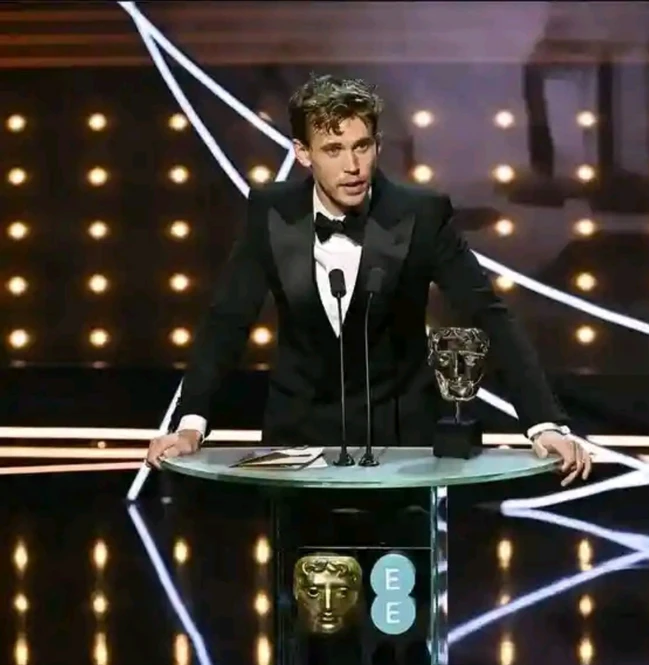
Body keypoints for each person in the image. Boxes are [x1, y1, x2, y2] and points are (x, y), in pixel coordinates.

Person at [146, 73, 591, 484]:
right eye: (334, 150)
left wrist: (544, 424)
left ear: (377, 145)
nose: (353, 165)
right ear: (303, 153)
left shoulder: (421, 215)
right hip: (297, 443)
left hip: (403, 445)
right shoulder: (271, 212)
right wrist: (190, 425)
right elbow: (227, 321)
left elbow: (489, 315)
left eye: (362, 146)